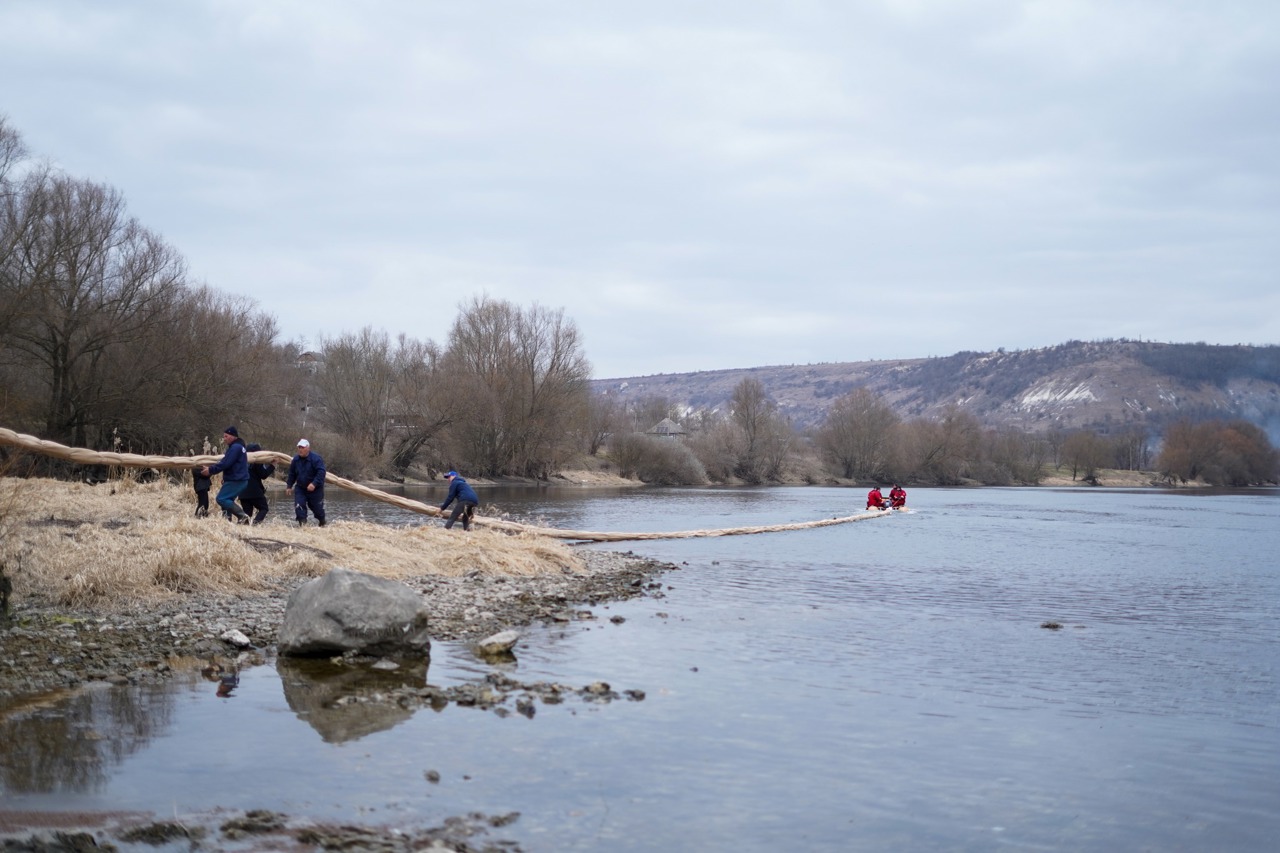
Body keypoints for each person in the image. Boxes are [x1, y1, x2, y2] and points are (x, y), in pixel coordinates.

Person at [201, 426, 251, 523]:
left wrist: (210, 470)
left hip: (236, 480)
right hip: (238, 479)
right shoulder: (239, 447)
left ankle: (243, 516)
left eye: (226, 436)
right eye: (224, 436)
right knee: (227, 501)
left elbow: (225, 463)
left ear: (233, 436)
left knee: (221, 499)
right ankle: (227, 522)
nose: (224, 439)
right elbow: (230, 464)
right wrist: (226, 477)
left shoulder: (235, 448)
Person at [286, 438, 327, 526]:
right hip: (301, 488)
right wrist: (289, 486)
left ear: (308, 448)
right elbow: (292, 473)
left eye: (303, 447)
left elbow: (321, 472)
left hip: (315, 489)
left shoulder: (316, 459)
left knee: (317, 509)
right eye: (299, 447)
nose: (300, 449)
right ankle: (302, 524)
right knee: (299, 506)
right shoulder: (295, 460)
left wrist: (314, 483)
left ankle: (322, 521)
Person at [238, 442, 275, 525]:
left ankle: (244, 528)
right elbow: (263, 475)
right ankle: (255, 524)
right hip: (254, 491)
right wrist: (273, 466)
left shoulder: (241, 461)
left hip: (242, 491)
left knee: (247, 514)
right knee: (264, 508)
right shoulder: (257, 461)